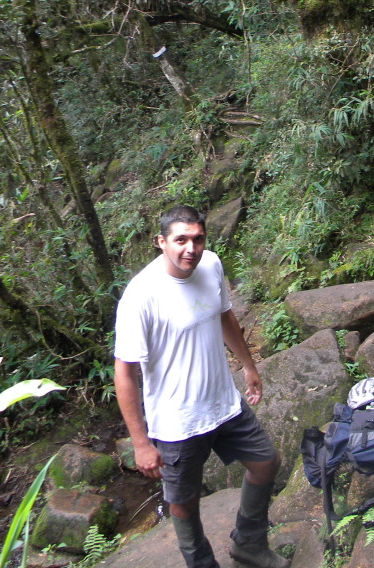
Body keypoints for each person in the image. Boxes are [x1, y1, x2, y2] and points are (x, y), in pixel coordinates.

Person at [114, 205, 288, 568]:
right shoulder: (141, 295)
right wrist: (140, 442)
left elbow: (224, 314)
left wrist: (248, 365)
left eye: (197, 239)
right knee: (183, 502)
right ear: (161, 242)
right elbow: (125, 372)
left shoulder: (210, 264)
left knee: (265, 463)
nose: (190, 249)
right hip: (177, 421)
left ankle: (249, 544)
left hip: (223, 403)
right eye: (180, 240)